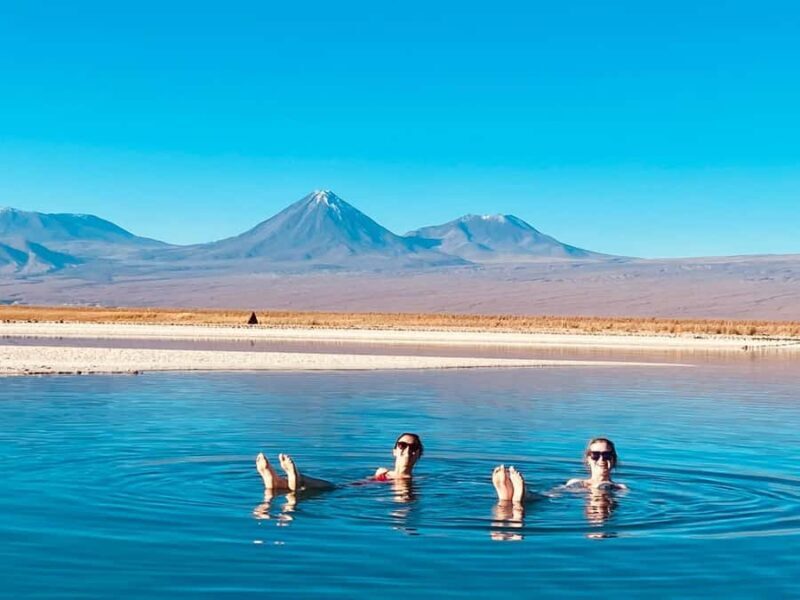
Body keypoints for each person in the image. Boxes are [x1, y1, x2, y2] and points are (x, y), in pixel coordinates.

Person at [255, 432, 424, 492]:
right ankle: (274, 481)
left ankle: (296, 477)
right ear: (394, 451)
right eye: (402, 445)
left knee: (330, 487)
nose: (407, 450)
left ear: (418, 455)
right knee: (299, 487)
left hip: (345, 492)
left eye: (413, 447)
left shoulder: (411, 482)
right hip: (350, 486)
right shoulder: (382, 471)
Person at [491, 437, 626, 503]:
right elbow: (554, 494)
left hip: (599, 499)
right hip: (575, 490)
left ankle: (513, 499)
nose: (601, 459)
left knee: (604, 487)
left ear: (613, 459)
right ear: (588, 459)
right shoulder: (575, 481)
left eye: (606, 455)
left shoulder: (620, 488)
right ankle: (515, 495)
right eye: (596, 455)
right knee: (547, 495)